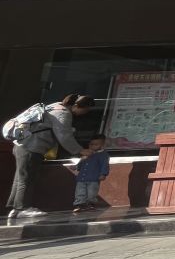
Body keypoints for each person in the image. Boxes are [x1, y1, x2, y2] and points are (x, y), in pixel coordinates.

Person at [6, 93, 97, 221]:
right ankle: (23, 208)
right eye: (86, 110)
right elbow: (64, 136)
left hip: (22, 145)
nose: (85, 113)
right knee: (27, 178)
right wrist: (80, 150)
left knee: (21, 178)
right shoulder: (63, 113)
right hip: (32, 147)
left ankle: (15, 209)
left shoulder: (54, 106)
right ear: (77, 106)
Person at [73, 133, 110, 213]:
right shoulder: (87, 153)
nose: (93, 146)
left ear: (102, 145)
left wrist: (103, 174)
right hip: (82, 178)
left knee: (91, 193)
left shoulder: (103, 155)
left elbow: (104, 165)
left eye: (96, 145)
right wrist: (76, 166)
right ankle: (79, 205)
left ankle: (91, 205)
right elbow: (81, 164)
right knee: (80, 192)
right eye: (91, 144)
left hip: (93, 178)